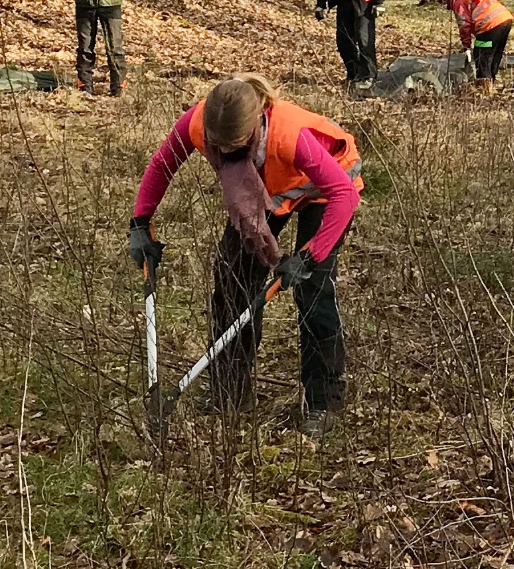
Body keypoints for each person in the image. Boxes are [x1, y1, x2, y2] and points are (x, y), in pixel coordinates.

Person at [128, 74, 364, 437]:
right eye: (217, 148)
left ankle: (323, 401)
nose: (223, 155)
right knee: (232, 276)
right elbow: (162, 165)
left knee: (312, 290)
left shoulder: (290, 136)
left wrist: (309, 256)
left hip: (327, 188)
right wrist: (140, 223)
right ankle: (230, 391)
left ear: (255, 123)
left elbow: (344, 195)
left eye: (233, 147)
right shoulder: (197, 122)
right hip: (267, 187)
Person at [428, 0, 513, 89]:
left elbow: (464, 24)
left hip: (489, 25)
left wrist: (466, 46)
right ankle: (492, 82)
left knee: (481, 54)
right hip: (505, 20)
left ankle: (484, 88)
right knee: (495, 53)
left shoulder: (459, 0)